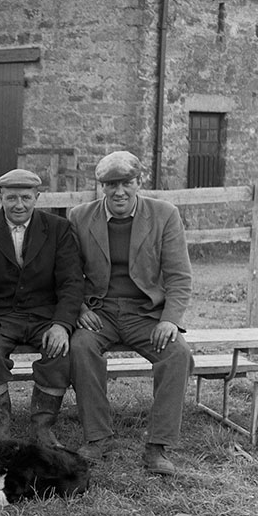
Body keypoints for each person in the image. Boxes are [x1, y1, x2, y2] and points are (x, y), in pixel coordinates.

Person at [69, 151, 193, 475]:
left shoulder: (164, 215)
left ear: (139, 182)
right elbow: (68, 274)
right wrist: (80, 307)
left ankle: (158, 446)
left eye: (126, 183)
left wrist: (169, 320)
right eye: (111, 184)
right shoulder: (80, 217)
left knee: (177, 354)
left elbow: (179, 276)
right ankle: (98, 438)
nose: (119, 191)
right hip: (101, 312)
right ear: (102, 187)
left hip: (146, 313)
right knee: (80, 347)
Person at [0, 169, 83, 447]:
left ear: (37, 197)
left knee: (59, 352)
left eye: (26, 198)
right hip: (1, 316)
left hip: (46, 315)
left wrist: (61, 325)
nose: (19, 205)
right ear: (0, 197)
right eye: (11, 198)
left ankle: (42, 428)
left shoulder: (58, 229)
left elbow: (71, 282)